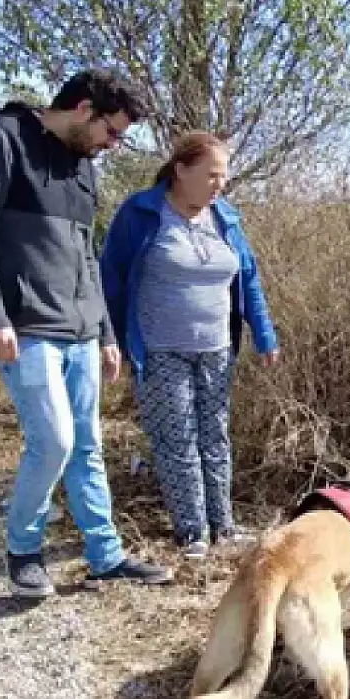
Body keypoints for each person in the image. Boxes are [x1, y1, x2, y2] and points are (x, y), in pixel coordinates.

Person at [0, 68, 173, 597]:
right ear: (83, 109)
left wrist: (105, 332)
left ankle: (106, 556)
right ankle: (23, 551)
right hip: (23, 327)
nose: (112, 145)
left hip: (78, 328)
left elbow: (86, 255)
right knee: (53, 441)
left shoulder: (83, 169)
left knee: (87, 446)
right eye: (112, 131)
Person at [100, 132, 281, 558]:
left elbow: (248, 279)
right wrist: (107, 338)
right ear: (181, 171)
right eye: (211, 175)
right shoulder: (141, 214)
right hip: (161, 350)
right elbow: (109, 279)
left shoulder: (226, 219)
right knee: (176, 439)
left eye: (224, 177)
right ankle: (192, 532)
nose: (219, 185)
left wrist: (264, 333)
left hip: (217, 349)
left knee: (215, 437)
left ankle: (225, 527)